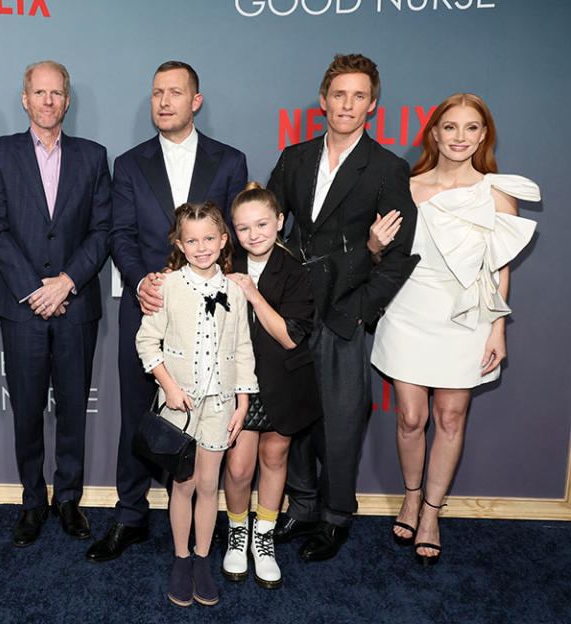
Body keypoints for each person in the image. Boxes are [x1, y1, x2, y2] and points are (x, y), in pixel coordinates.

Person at [369, 93, 539, 565]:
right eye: (450, 127)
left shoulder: (498, 193)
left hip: (467, 316)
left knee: (449, 417)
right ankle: (410, 493)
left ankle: (430, 512)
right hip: (408, 310)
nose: (459, 137)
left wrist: (497, 328)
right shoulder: (408, 185)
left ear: (483, 135)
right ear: (435, 133)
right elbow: (384, 256)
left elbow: (499, 266)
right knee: (411, 417)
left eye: (471, 128)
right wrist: (373, 246)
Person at [89, 60, 247, 563]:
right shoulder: (130, 163)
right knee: (139, 413)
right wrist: (142, 283)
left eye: (175, 93)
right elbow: (120, 234)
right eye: (157, 92)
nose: (163, 101)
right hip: (148, 305)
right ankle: (130, 515)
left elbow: (235, 237)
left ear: (194, 101)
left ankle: (205, 520)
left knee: (208, 418)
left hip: (212, 316)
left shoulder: (230, 161)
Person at [266, 53, 419, 561]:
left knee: (341, 421)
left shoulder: (387, 169)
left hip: (343, 314)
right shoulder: (294, 157)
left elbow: (397, 257)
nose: (347, 104)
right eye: (339, 94)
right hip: (293, 313)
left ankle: (335, 515)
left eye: (358, 96)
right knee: (294, 416)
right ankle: (303, 504)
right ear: (323, 99)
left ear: (372, 105)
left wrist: (360, 313)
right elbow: (267, 224)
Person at [0, 60, 111, 547]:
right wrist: (36, 290)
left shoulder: (94, 156)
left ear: (67, 100)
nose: (48, 101)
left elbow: (101, 230)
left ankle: (69, 501)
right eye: (39, 92)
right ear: (24, 98)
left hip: (75, 304)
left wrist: (67, 282)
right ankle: (33, 501)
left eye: (56, 93)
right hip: (22, 306)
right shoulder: (0, 153)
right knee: (28, 408)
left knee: (74, 408)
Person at [136, 201, 257, 607]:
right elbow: (146, 341)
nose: (202, 246)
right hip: (179, 405)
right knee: (183, 484)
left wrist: (242, 402)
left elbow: (243, 349)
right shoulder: (168, 287)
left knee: (209, 484)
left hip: (221, 405)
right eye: (192, 240)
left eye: (209, 238)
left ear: (224, 241)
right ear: (180, 244)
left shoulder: (235, 292)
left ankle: (203, 559)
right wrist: (168, 386)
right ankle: (181, 558)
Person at [221, 183, 322, 588]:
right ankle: (237, 533)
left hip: (284, 381)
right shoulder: (224, 262)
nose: (255, 234)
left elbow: (290, 337)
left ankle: (264, 538)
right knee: (240, 466)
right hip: (239, 383)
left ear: (280, 222)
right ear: (233, 231)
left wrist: (252, 293)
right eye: (244, 228)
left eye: (262, 223)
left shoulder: (296, 271)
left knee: (275, 459)